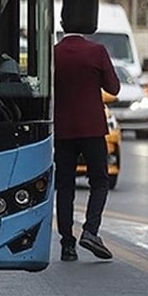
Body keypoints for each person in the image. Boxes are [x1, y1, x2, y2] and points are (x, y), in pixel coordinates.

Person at [54, 28, 121, 262]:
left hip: (62, 130)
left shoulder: (54, 54)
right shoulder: (96, 51)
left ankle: (67, 245)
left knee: (64, 186)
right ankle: (91, 231)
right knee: (100, 181)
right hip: (92, 129)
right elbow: (114, 88)